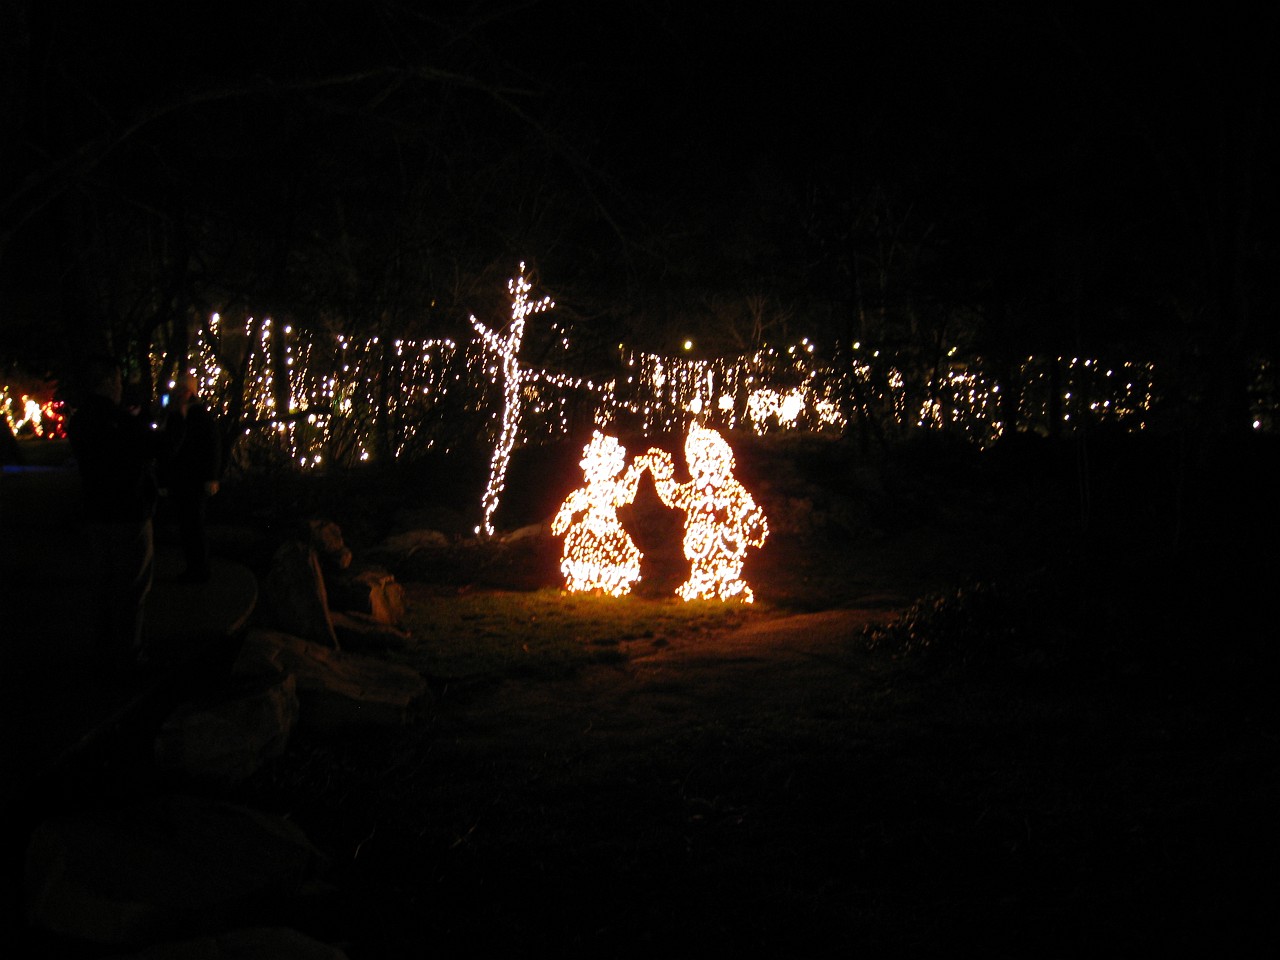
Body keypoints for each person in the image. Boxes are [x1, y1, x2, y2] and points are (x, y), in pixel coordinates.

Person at [66, 354, 158, 673]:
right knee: (133, 585)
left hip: (96, 512)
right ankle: (129, 654)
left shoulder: (79, 421)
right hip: (127, 513)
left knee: (105, 584)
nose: (121, 388)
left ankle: (104, 647)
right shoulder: (117, 422)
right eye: (118, 381)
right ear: (107, 382)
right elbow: (147, 450)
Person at [159, 374, 222, 583]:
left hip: (193, 481)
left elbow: (211, 447)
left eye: (182, 391)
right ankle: (194, 567)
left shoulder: (198, 416)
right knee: (188, 525)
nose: (179, 395)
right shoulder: (177, 416)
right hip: (182, 480)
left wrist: (210, 478)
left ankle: (199, 569)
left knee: (193, 525)